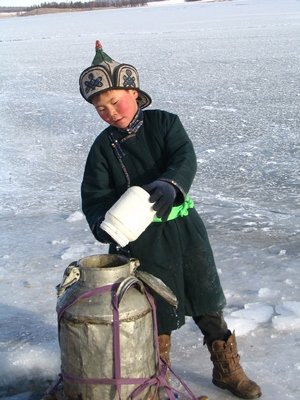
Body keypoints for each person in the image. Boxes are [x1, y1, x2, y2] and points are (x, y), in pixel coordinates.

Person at [79, 41, 262, 400]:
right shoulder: (102, 148)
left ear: (133, 91)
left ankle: (226, 369)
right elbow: (95, 195)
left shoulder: (165, 123)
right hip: (141, 240)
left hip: (184, 229)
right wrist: (103, 222)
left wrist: (169, 183)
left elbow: (184, 156)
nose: (110, 112)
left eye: (115, 101)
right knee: (154, 308)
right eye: (101, 109)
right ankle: (154, 374)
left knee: (205, 297)